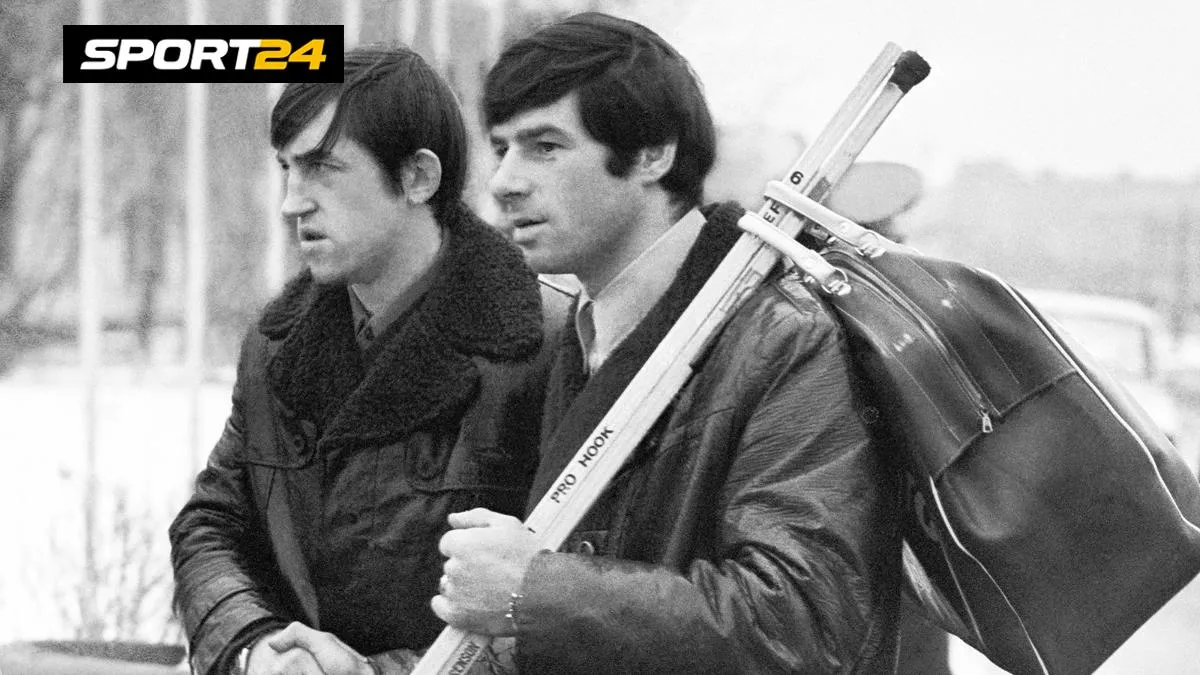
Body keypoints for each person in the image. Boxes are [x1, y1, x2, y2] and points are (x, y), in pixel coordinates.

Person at [432, 12, 903, 673]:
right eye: (502, 147)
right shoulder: (581, 332)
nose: (504, 181)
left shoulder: (786, 341)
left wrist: (534, 591)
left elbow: (806, 623)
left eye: (545, 147)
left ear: (654, 154)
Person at [169, 45, 567, 675]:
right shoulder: (274, 345)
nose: (292, 203)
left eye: (323, 169)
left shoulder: (545, 345)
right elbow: (213, 523)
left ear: (418, 178)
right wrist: (255, 648)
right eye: (287, 169)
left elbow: (557, 608)